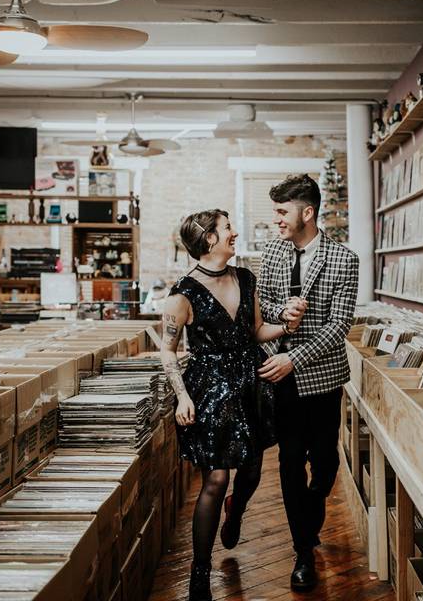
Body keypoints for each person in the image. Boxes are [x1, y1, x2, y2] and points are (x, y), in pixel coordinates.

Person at [159, 209, 304, 601]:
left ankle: (235, 511)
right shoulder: (181, 294)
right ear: (208, 239)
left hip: (250, 383)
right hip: (208, 390)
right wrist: (182, 396)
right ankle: (200, 574)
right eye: (227, 228)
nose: (234, 232)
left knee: (252, 468)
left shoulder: (245, 277)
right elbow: (168, 352)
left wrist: (288, 325)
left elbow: (257, 331)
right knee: (217, 477)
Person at [257, 174, 359, 592]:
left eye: (283, 211)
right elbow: (259, 305)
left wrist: (293, 358)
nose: (277, 220)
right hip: (279, 381)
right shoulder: (272, 253)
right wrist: (282, 313)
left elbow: (340, 325)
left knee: (326, 462)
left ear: (308, 212)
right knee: (288, 462)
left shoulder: (344, 259)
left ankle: (311, 508)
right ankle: (302, 552)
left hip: (321, 379)